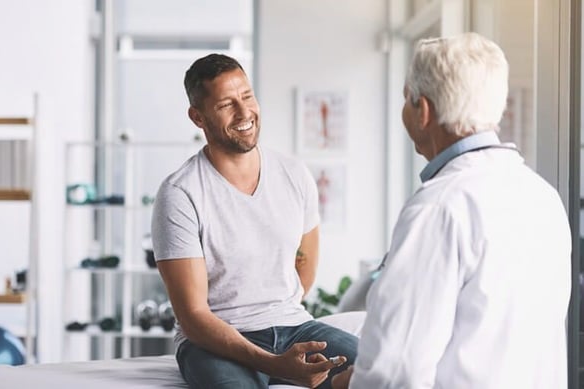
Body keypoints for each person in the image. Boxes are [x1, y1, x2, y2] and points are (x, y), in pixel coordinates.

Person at [331, 32, 571, 389]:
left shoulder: (438, 207)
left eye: (406, 100)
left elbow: (395, 372)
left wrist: (338, 384)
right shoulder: (542, 195)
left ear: (422, 111)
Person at [151, 53, 358, 389]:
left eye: (247, 96)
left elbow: (304, 267)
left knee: (384, 372)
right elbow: (193, 316)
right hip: (214, 342)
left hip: (294, 326)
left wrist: (278, 321)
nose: (245, 112)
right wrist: (275, 364)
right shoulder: (180, 194)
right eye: (226, 104)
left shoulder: (294, 174)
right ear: (197, 117)